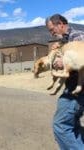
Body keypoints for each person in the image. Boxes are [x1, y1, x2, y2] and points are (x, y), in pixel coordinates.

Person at [45, 14, 84, 149]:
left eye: (52, 29)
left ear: (60, 24)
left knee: (61, 125)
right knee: (72, 125)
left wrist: (64, 62)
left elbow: (81, 59)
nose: (52, 33)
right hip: (72, 86)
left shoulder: (77, 36)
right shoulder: (65, 41)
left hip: (78, 90)